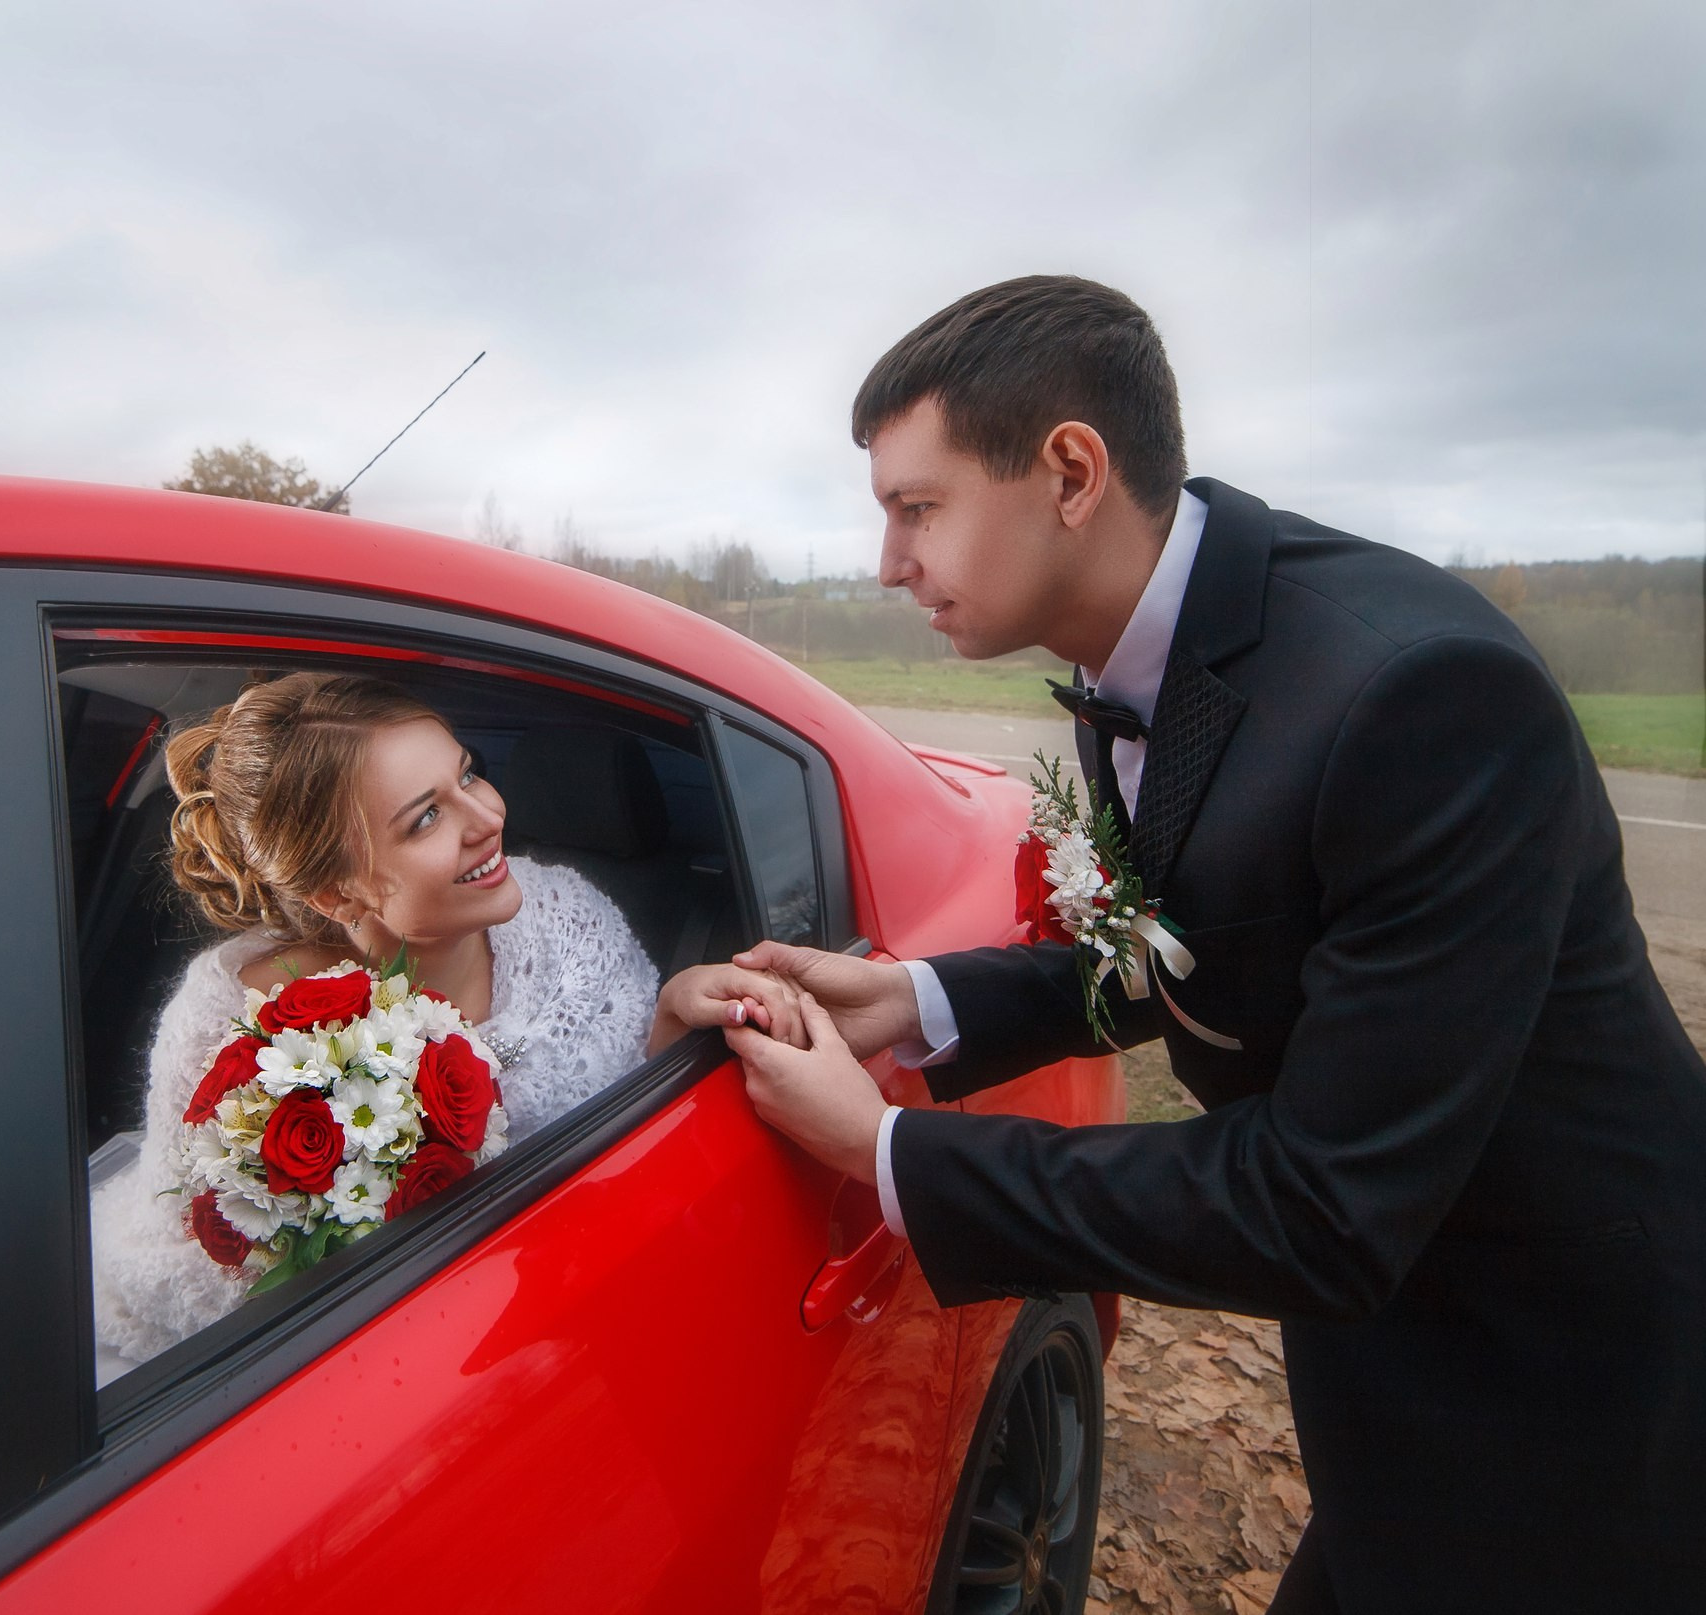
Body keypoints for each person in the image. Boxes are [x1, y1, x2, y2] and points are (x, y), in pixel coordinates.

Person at [708, 275, 1706, 1611]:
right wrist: (920, 1000)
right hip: (1384, 1351)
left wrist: (885, 1148)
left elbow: (1323, 1205)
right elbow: (1205, 941)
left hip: (1560, 1376)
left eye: (918, 507)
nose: (889, 563)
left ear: (1070, 470)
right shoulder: (1133, 654)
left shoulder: (1422, 700)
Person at [89, 671, 789, 1366]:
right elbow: (226, 1268)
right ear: (338, 892)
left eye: (470, 775)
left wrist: (673, 1011)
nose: (489, 819)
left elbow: (637, 1103)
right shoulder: (231, 1028)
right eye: (426, 816)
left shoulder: (568, 919)